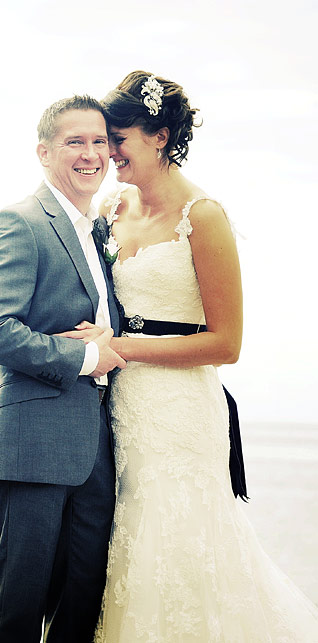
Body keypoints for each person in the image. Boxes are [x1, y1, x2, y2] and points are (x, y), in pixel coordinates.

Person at [60, 70, 318, 641]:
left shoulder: (203, 217)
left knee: (178, 541)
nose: (108, 152)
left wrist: (118, 346)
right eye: (103, 139)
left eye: (117, 138)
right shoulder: (112, 209)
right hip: (122, 405)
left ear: (159, 136)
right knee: (126, 541)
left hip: (181, 413)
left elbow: (228, 343)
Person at [0, 95, 126, 642]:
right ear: (44, 151)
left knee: (82, 607)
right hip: (33, 445)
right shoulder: (21, 221)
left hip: (97, 449)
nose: (91, 154)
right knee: (19, 612)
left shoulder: (100, 232)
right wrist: (85, 356)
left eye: (99, 141)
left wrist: (110, 341)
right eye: (74, 142)